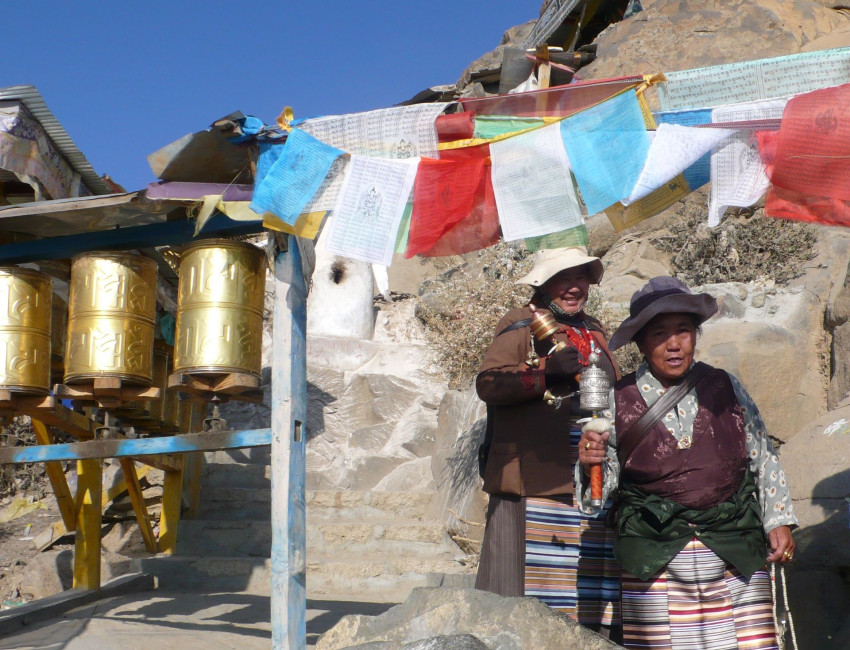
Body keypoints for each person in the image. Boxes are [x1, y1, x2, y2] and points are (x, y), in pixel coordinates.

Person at [577, 276, 797, 650]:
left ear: (696, 335)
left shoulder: (724, 386)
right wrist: (589, 465)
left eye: (683, 331)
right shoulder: (619, 399)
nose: (674, 344)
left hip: (735, 545)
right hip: (653, 552)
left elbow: (761, 453)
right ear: (642, 343)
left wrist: (778, 520)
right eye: (660, 334)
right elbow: (602, 491)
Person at [475, 246, 621, 639]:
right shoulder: (520, 323)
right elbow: (488, 383)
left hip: (590, 479)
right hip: (533, 480)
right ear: (544, 283)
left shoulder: (595, 329)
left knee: (585, 594)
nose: (574, 287)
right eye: (563, 278)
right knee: (526, 604)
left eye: (581, 278)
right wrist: (544, 375)